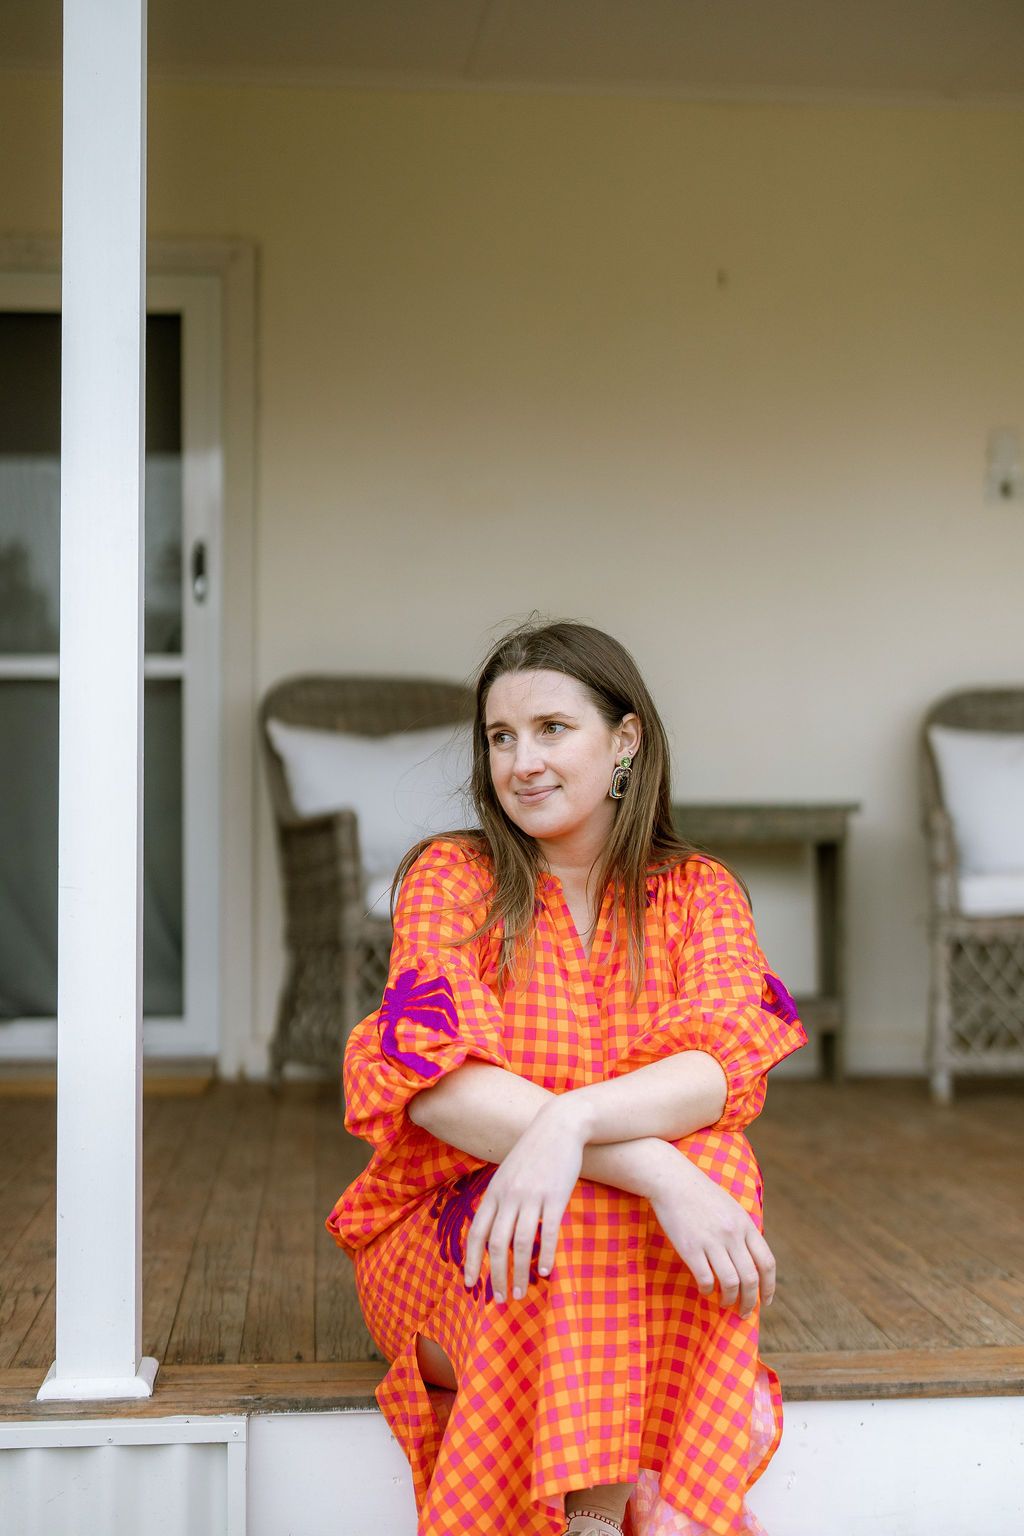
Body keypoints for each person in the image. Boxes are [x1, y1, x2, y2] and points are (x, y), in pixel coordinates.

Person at [325, 618, 808, 1536]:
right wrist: (655, 1168)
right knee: (634, 1195)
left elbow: (720, 1069)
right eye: (500, 737)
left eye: (552, 729)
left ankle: (593, 1516)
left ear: (624, 741)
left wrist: (565, 1127)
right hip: (455, 1237)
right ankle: (632, 1507)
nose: (521, 761)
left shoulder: (699, 893)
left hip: (584, 1250)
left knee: (709, 1169)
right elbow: (437, 1085)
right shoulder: (452, 878)